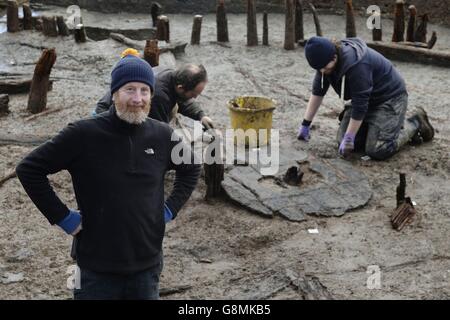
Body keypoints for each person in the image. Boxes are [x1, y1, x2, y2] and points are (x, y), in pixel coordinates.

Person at [16, 52, 201, 300]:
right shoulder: (83, 134)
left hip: (147, 266)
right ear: (114, 93)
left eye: (144, 91)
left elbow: (191, 168)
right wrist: (63, 218)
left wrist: (169, 210)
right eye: (129, 89)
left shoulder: (162, 135)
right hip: (94, 269)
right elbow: (29, 169)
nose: (138, 99)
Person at [297, 36, 435, 160]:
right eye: (318, 69)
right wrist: (305, 124)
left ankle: (415, 123)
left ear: (334, 57)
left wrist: (350, 137)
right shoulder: (324, 64)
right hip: (367, 100)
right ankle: (375, 130)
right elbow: (317, 93)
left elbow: (360, 105)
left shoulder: (357, 65)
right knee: (343, 141)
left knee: (377, 149)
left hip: (390, 98)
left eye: (324, 68)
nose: (322, 72)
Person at [95, 54, 215, 129]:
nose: (194, 98)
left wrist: (201, 115)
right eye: (194, 94)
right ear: (180, 87)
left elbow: (183, 99)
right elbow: (158, 132)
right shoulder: (160, 97)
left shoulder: (171, 74)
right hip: (106, 115)